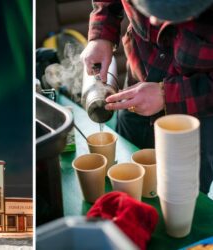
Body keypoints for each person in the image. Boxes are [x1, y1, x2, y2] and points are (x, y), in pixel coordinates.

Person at [80, 0, 213, 194]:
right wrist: (101, 35)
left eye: (174, 14)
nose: (153, 21)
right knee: (126, 181)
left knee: (180, 197)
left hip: (198, 111)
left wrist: (167, 95)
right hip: (139, 80)